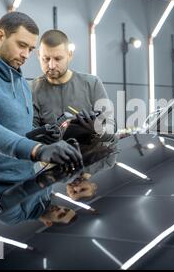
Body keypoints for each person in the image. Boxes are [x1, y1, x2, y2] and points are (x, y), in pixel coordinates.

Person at [0, 12, 82, 226]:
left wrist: (38, 136)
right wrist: (38, 149)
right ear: (0, 36)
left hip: (26, 183)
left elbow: (15, 128)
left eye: (31, 49)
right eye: (21, 45)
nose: (26, 54)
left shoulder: (21, 81)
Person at [31, 30, 117, 201]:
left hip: (92, 159)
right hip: (53, 164)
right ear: (37, 55)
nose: (52, 65)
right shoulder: (32, 90)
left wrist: (98, 129)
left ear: (69, 55)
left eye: (58, 58)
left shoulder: (91, 84)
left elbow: (111, 129)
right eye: (46, 59)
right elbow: (31, 136)